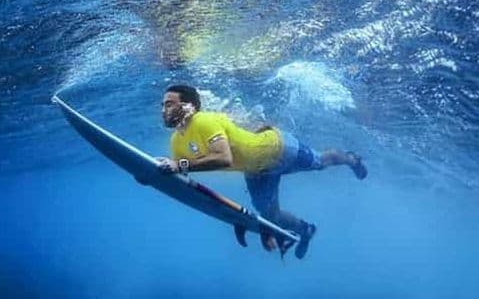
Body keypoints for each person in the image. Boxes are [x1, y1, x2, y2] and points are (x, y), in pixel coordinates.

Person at [156, 84, 367, 259]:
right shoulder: (177, 142)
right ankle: (306, 230)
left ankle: (351, 159)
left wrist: (179, 166)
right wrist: (151, 176)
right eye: (163, 105)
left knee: (321, 161)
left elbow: (222, 158)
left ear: (189, 106)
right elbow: (181, 173)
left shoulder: (203, 121)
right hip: (256, 172)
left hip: (280, 149)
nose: (163, 109)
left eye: (169, 104)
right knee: (271, 215)